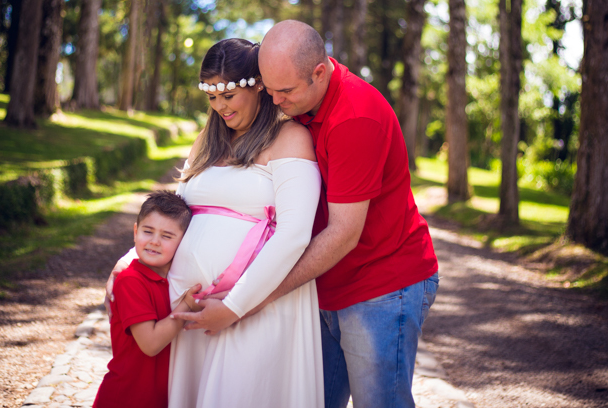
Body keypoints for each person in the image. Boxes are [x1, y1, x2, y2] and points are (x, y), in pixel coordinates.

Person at [177, 20, 440, 408]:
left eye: (284, 91)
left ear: (319, 72)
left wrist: (248, 300)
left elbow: (344, 234)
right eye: (267, 88)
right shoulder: (298, 103)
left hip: (380, 287)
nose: (275, 100)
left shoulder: (355, 117)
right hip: (323, 286)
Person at [109, 38, 324, 408]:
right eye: (211, 97)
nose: (220, 107)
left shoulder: (290, 139)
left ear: (257, 85)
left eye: (227, 94)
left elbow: (294, 234)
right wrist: (131, 259)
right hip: (192, 311)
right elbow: (174, 216)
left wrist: (235, 306)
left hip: (256, 308)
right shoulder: (205, 143)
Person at [94, 191, 198, 408]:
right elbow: (150, 344)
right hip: (126, 397)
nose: (154, 242)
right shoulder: (130, 281)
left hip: (158, 398)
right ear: (135, 231)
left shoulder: (171, 281)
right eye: (148, 231)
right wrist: (187, 305)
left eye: (167, 236)